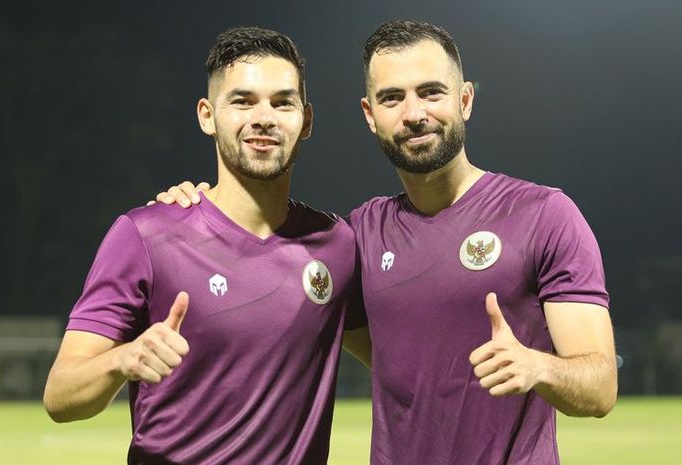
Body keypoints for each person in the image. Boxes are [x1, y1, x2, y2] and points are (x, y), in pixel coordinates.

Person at [155, 20, 617, 465]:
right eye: (392, 98)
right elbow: (395, 358)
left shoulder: (543, 214)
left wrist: (539, 368)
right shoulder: (358, 236)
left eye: (431, 92)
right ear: (370, 115)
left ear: (465, 99)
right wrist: (199, 208)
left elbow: (599, 390)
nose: (413, 113)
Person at [43, 27, 368, 465]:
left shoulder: (338, 246)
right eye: (242, 101)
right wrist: (123, 359)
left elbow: (405, 365)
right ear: (206, 115)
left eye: (282, 102)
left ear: (306, 120)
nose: (264, 117)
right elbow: (60, 396)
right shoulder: (146, 235)